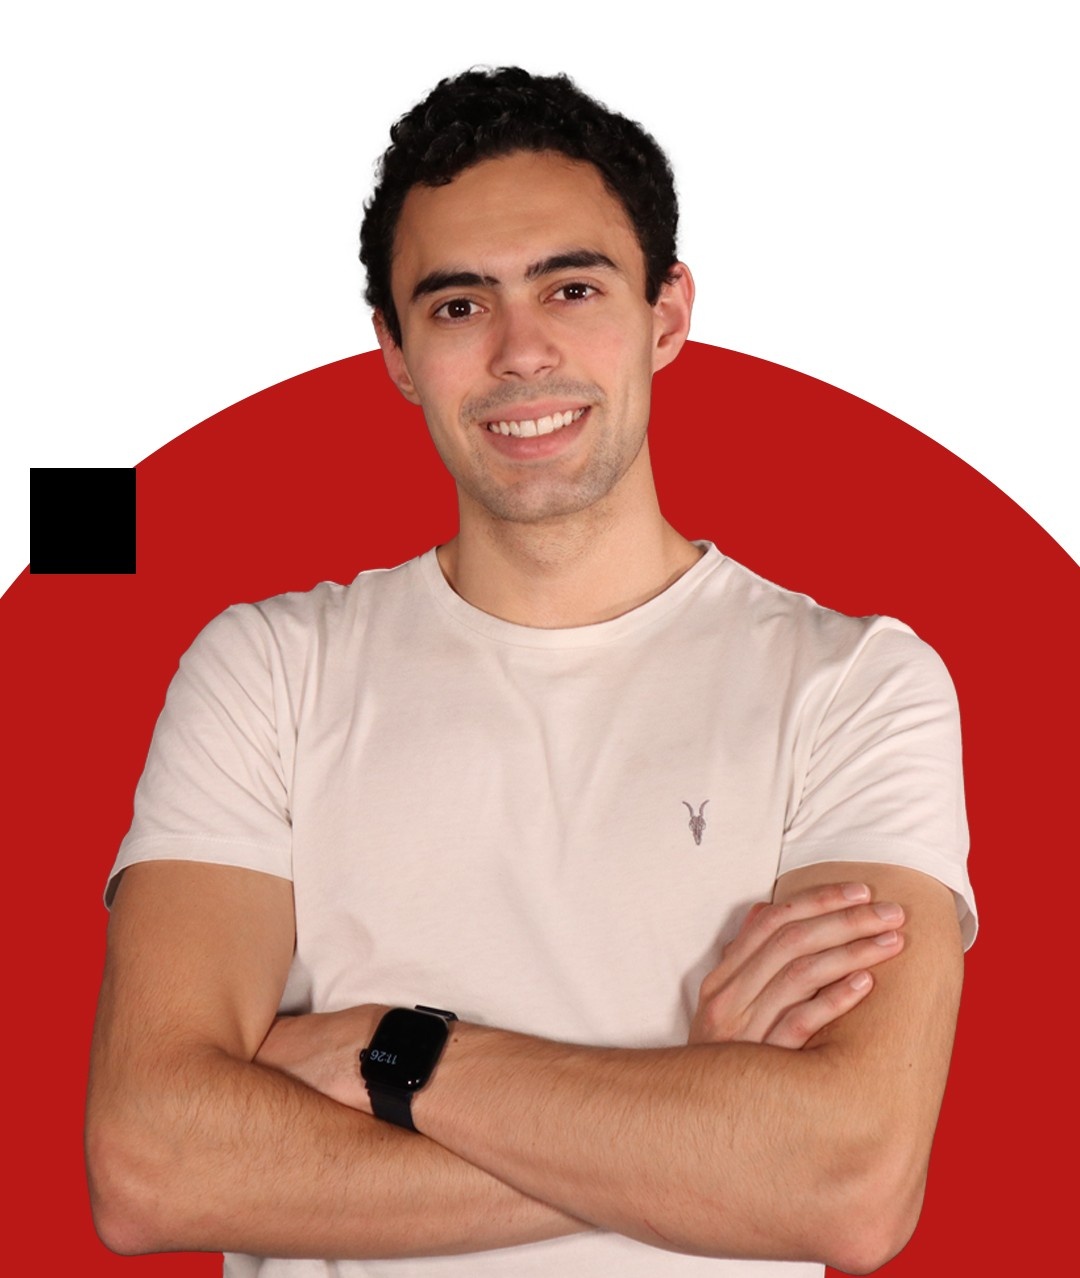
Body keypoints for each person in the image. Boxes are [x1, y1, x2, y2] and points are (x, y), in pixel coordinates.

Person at [86, 67, 976, 1278]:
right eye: (459, 306)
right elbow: (152, 1167)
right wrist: (694, 1119)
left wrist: (390, 1054)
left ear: (667, 315)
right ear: (397, 353)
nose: (520, 352)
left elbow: (848, 1186)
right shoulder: (267, 673)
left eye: (573, 288)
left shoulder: (856, 686)